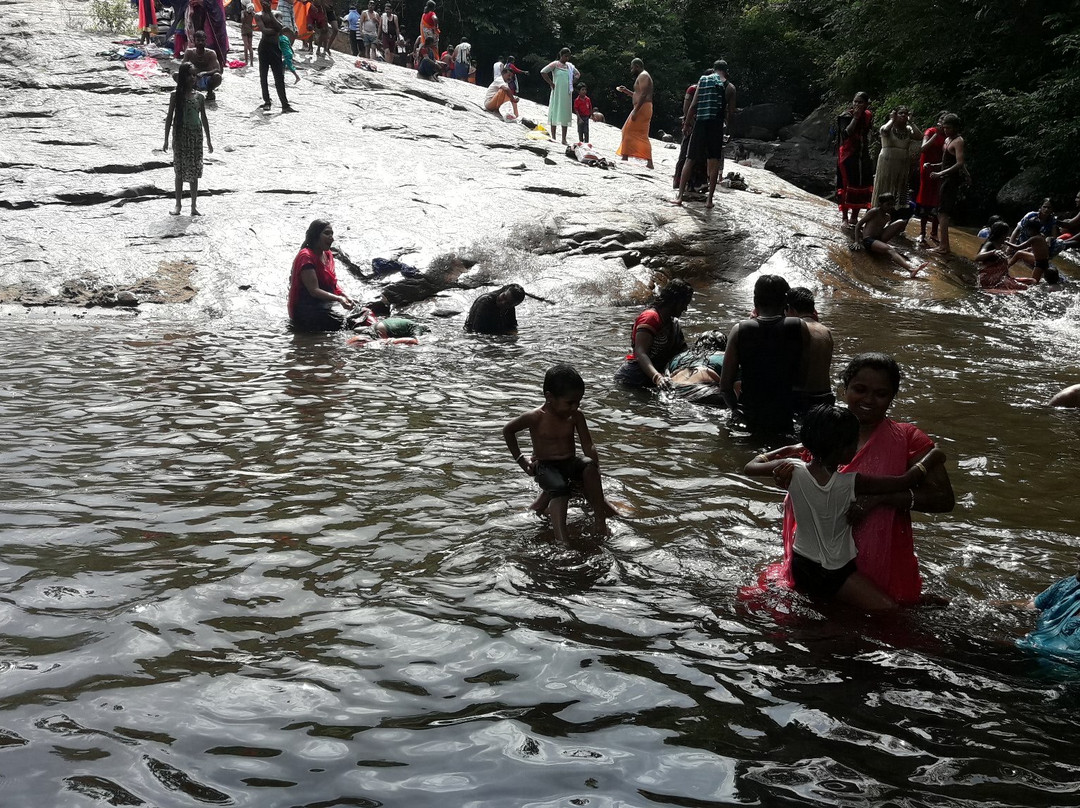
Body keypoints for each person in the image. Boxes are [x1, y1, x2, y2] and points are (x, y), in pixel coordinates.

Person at [758, 353, 955, 605]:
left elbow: (943, 499)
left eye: (880, 394)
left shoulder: (909, 439)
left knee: (883, 623)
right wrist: (784, 476)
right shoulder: (824, 432)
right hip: (817, 557)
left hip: (881, 555)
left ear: (892, 396)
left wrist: (881, 500)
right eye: (860, 390)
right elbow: (810, 483)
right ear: (845, 388)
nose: (869, 400)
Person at [503, 364, 614, 544]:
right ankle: (562, 540)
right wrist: (521, 461)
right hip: (546, 467)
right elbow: (508, 430)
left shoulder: (575, 416)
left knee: (589, 466)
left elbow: (588, 444)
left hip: (569, 462)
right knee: (560, 491)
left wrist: (595, 466)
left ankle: (600, 522)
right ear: (549, 397)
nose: (575, 406)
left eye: (578, 402)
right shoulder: (535, 417)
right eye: (570, 402)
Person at [719, 274, 807, 439]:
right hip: (783, 418)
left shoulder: (740, 330)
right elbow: (804, 379)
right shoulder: (797, 327)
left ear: (755, 301)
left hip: (747, 417)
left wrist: (736, 410)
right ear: (785, 302)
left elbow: (724, 386)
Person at [676, 60, 736, 207]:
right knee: (713, 162)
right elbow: (731, 113)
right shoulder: (730, 88)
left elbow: (693, 105)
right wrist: (729, 129)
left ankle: (679, 197)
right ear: (726, 71)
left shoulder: (703, 80)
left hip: (701, 124)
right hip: (716, 126)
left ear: (714, 69)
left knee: (690, 159)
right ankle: (709, 201)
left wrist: (687, 124)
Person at [613, 279, 694, 388]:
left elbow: (682, 352)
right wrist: (657, 377)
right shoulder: (651, 318)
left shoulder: (672, 324)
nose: (685, 308)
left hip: (657, 377)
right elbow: (640, 352)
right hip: (633, 379)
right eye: (684, 303)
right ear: (674, 301)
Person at [163, 63, 213, 217]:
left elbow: (203, 118)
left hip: (195, 136)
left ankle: (193, 206)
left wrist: (209, 140)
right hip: (180, 135)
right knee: (179, 170)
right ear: (183, 77)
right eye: (190, 75)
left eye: (194, 75)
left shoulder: (199, 97)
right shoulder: (175, 95)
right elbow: (170, 117)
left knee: (194, 170)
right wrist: (165, 139)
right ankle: (178, 204)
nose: (193, 78)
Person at [288, 220, 356, 331]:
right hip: (307, 312)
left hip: (324, 307)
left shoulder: (327, 254)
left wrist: (345, 295)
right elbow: (314, 290)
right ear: (315, 235)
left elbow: (332, 283)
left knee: (361, 313)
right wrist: (339, 299)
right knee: (352, 325)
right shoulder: (306, 256)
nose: (332, 238)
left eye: (332, 234)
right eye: (327, 233)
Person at [785, 287, 835, 416]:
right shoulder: (826, 330)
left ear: (791, 309)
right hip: (826, 397)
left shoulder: (792, 329)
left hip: (801, 398)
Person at [854, 193, 928, 278]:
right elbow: (858, 225)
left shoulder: (887, 216)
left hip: (878, 239)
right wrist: (856, 241)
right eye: (887, 204)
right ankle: (911, 269)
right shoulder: (874, 211)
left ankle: (882, 246)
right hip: (868, 240)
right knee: (890, 249)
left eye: (892, 205)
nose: (890, 207)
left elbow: (881, 228)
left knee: (901, 222)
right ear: (880, 204)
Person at [927, 113, 965, 255]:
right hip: (944, 178)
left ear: (955, 127)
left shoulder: (958, 141)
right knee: (940, 211)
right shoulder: (948, 139)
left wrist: (940, 173)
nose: (945, 130)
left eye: (948, 128)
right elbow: (947, 161)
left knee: (943, 212)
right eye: (944, 128)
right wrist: (934, 165)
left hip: (950, 180)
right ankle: (944, 245)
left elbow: (960, 163)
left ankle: (944, 246)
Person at [836, 92, 874, 227]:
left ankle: (854, 216)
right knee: (846, 184)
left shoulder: (868, 115)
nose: (857, 105)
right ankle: (844, 217)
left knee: (861, 185)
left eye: (860, 102)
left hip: (862, 155)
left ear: (866, 104)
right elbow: (846, 134)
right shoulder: (846, 116)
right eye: (855, 102)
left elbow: (868, 133)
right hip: (848, 155)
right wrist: (856, 118)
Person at [871, 106, 920, 210]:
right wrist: (892, 119)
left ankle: (897, 209)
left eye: (905, 113)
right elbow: (884, 131)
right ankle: (879, 209)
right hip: (887, 162)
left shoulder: (908, 129)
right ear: (895, 114)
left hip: (903, 164)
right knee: (884, 186)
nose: (903, 115)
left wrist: (911, 122)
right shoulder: (888, 127)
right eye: (900, 113)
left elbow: (919, 136)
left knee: (900, 187)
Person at [1008, 198, 1062, 284]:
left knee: (1033, 281)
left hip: (1036, 256)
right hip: (1037, 255)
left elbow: (1054, 236)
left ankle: (1008, 269)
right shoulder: (1031, 216)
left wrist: (1007, 243)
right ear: (1040, 207)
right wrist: (1009, 246)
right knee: (1035, 281)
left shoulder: (1036, 236)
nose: (1046, 209)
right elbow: (1017, 229)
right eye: (1044, 207)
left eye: (1049, 208)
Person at [914, 112, 948, 246]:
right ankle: (922, 232)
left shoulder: (948, 135)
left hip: (939, 168)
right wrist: (936, 135)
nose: (942, 123)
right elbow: (923, 148)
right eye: (941, 119)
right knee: (925, 199)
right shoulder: (930, 131)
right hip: (926, 168)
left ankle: (934, 232)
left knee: (937, 200)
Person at [615, 58, 654, 169]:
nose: (631, 70)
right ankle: (626, 156)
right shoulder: (642, 76)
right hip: (642, 107)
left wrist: (636, 111)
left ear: (637, 66)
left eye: (632, 67)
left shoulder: (643, 76)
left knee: (634, 132)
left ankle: (646, 161)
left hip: (642, 108)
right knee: (628, 130)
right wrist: (626, 91)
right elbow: (638, 94)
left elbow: (644, 95)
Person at [974, 222, 1035, 291]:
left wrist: (1025, 250)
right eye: (1006, 234)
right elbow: (977, 257)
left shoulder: (1001, 245)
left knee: (1032, 281)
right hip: (989, 279)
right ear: (1001, 234)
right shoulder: (989, 244)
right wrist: (993, 252)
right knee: (1024, 288)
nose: (1007, 236)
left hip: (1000, 278)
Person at [257, 3, 295, 111]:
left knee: (279, 76)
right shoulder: (258, 15)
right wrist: (276, 30)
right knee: (263, 76)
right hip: (264, 47)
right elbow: (264, 30)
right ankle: (267, 101)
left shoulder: (277, 13)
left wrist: (270, 15)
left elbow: (280, 26)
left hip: (275, 47)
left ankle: (285, 104)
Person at [540, 48, 579, 146]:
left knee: (565, 113)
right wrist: (550, 83)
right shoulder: (555, 64)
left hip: (566, 93)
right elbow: (543, 71)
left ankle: (564, 138)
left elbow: (577, 74)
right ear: (561, 55)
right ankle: (553, 136)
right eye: (565, 56)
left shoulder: (569, 66)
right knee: (555, 110)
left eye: (568, 56)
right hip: (557, 92)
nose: (567, 58)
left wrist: (572, 82)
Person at [181, 30, 223, 102]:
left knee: (217, 76)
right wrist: (192, 73)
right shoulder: (189, 52)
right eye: (198, 40)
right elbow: (182, 67)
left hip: (207, 79)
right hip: (193, 78)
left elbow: (217, 69)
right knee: (177, 75)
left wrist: (204, 73)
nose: (200, 42)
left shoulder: (211, 53)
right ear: (194, 41)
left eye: (202, 40)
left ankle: (210, 92)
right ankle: (188, 91)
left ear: (205, 41)